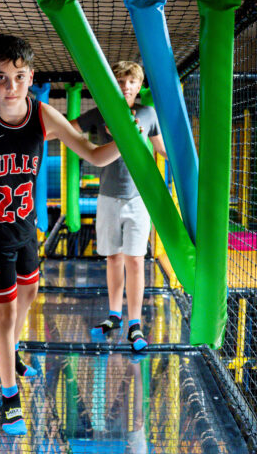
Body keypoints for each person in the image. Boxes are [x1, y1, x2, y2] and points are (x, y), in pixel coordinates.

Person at [0, 34, 126, 436]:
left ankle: (12, 350)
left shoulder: (42, 115)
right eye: (1, 78)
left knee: (30, 294)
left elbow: (94, 155)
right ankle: (9, 398)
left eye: (19, 77)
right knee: (3, 316)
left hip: (25, 231)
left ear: (31, 76)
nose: (11, 87)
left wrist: (127, 142)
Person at [70, 61, 167, 352]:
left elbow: (162, 148)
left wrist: (191, 158)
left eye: (131, 82)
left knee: (135, 260)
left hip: (138, 198)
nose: (126, 86)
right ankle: (114, 316)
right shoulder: (101, 113)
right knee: (113, 258)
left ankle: (135, 324)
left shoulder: (147, 114)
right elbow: (69, 130)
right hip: (108, 198)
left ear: (139, 86)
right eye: (121, 81)